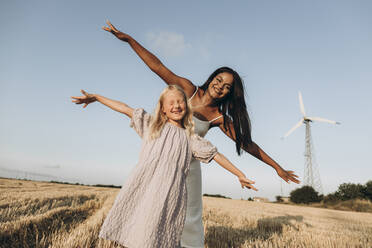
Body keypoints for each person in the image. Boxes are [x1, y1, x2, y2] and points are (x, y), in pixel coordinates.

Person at [102, 21, 300, 248]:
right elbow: (158, 67)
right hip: (163, 158)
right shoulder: (188, 89)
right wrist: (129, 40)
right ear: (212, 78)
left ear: (230, 93)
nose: (220, 86)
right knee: (149, 203)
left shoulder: (220, 118)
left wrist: (276, 167)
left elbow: (247, 144)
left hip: (190, 168)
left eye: (227, 86)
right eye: (219, 80)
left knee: (190, 218)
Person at [71, 85, 257, 248]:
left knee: (156, 235)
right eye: (171, 103)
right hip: (144, 186)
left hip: (170, 194)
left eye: (180, 102)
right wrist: (96, 97)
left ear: (186, 106)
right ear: (163, 109)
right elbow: (125, 108)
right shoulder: (152, 125)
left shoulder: (190, 138)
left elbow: (216, 155)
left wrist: (239, 174)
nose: (176, 106)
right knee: (134, 228)